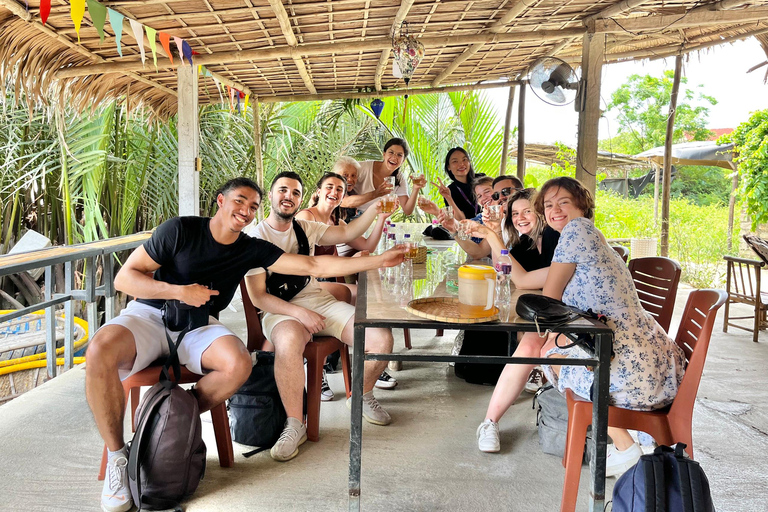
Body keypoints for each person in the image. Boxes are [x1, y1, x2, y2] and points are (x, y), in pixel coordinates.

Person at [85, 177, 405, 512]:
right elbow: (126, 278)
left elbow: (313, 265)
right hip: (151, 313)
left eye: (252, 206)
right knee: (99, 350)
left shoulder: (248, 248)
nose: (246, 210)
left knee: (239, 364)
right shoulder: (179, 230)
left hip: (198, 325)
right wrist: (179, 291)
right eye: (240, 201)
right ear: (221, 201)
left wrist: (378, 261)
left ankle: (167, 423)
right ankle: (119, 457)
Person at [472, 177, 685, 479]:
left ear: (581, 205)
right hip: (652, 362)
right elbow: (524, 281)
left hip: (635, 368)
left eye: (564, 202)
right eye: (548, 205)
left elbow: (549, 299)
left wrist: (493, 238)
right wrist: (493, 236)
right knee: (545, 346)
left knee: (551, 354)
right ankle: (628, 443)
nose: (555, 210)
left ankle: (626, 446)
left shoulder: (577, 230)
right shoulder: (581, 236)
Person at [245, 171, 400, 463]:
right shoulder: (255, 237)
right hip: (280, 308)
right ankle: (295, 424)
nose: (288, 197)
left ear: (302, 198)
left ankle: (360, 395)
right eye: (283, 190)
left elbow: (347, 234)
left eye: (294, 192)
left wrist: (377, 210)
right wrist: (298, 313)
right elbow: (258, 297)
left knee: (381, 337)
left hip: (318, 301)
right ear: (271, 195)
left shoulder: (305, 227)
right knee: (290, 340)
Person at [297, 170, 397, 399]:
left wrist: (381, 217)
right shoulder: (306, 217)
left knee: (369, 300)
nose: (334, 192)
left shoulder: (337, 221)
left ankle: (373, 360)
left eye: (339, 189)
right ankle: (316, 367)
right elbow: (308, 263)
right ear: (319, 191)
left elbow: (367, 245)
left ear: (343, 196)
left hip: (325, 284)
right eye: (330, 187)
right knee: (356, 296)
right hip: (308, 285)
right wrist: (349, 262)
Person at [340, 138, 425, 216]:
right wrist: (376, 193)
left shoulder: (399, 178)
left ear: (403, 160)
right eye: (391, 152)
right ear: (384, 154)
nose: (394, 157)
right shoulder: (362, 168)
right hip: (345, 214)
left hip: (367, 218)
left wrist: (416, 189)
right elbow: (343, 201)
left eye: (399, 155)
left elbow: (407, 210)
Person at [432, 147, 479, 220]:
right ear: (448, 167)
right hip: (467, 229)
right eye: (455, 161)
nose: (461, 164)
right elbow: (460, 220)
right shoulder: (450, 191)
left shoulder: (481, 179)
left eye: (464, 159)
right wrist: (448, 198)